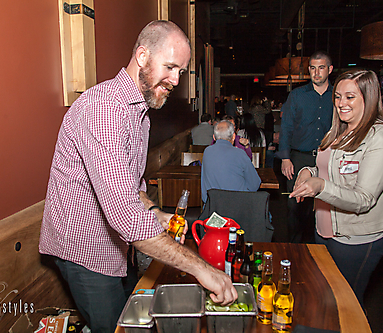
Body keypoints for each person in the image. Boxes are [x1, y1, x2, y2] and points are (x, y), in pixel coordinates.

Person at [39, 20, 237, 333]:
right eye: (170, 67)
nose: (175, 80)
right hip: (85, 250)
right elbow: (126, 215)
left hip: (117, 247)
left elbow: (131, 190)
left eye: (181, 72)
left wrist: (156, 213)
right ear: (142, 56)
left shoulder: (139, 112)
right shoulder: (104, 109)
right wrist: (202, 270)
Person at [290, 69, 383, 308]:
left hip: (357, 237)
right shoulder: (339, 131)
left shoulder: (381, 137)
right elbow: (330, 171)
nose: (341, 103)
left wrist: (320, 186)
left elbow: (363, 199)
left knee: (345, 304)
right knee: (324, 298)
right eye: (338, 97)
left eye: (350, 97)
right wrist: (308, 172)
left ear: (368, 97)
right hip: (325, 230)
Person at [276, 50, 334, 243]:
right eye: (312, 68)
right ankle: (294, 249)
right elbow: (286, 127)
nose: (316, 73)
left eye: (321, 68)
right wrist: (285, 158)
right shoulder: (297, 95)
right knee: (295, 206)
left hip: (328, 158)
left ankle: (318, 249)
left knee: (323, 205)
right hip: (300, 157)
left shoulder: (337, 96)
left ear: (329, 70)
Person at [201, 120, 261, 203]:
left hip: (213, 206)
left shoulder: (207, 152)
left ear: (214, 137)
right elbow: (255, 184)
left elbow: (204, 190)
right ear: (233, 136)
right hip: (236, 207)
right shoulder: (239, 153)